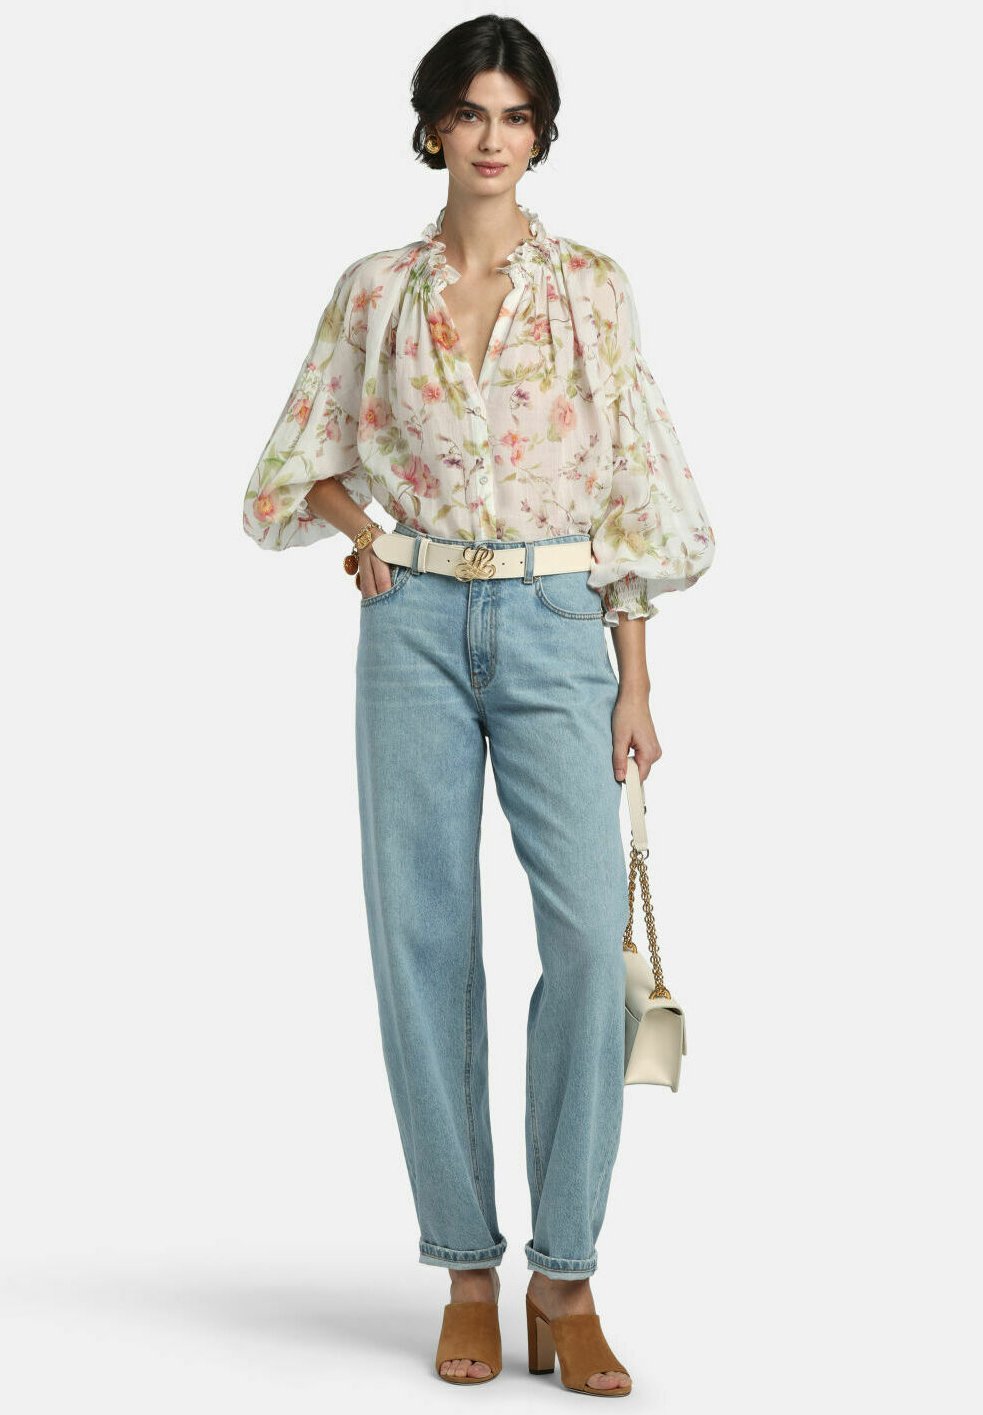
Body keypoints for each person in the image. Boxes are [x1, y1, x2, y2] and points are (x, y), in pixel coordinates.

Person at [242, 14, 714, 1398]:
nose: (492, 137)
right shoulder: (376, 290)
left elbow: (635, 481)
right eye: (469, 111)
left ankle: (566, 1278)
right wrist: (363, 534)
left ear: (540, 133)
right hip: (414, 629)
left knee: (586, 941)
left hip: (563, 624)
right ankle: (465, 1268)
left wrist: (636, 677)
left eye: (515, 114)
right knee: (424, 941)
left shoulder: (593, 289)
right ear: (433, 127)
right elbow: (294, 461)